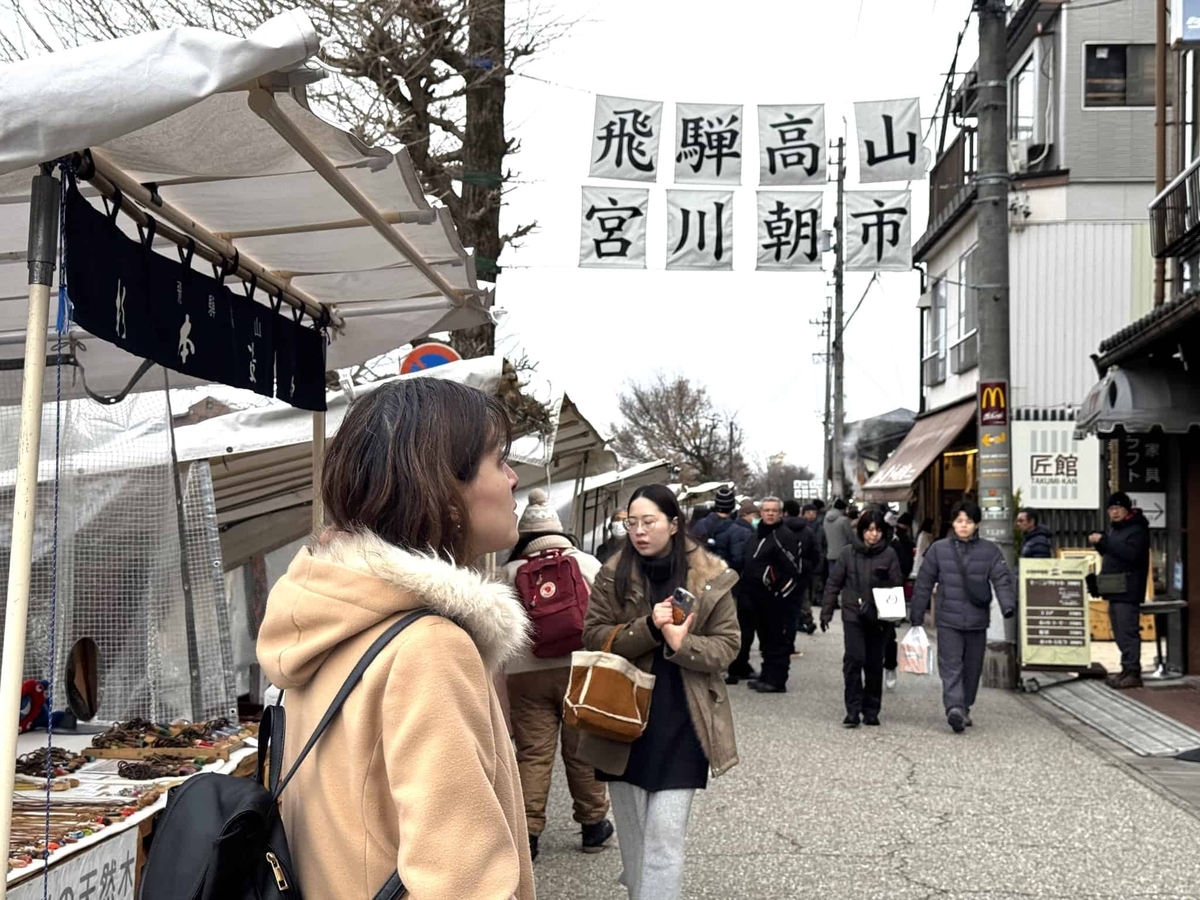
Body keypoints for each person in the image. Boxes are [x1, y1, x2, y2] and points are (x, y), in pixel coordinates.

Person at [257, 379, 535, 899]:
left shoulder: (327, 617)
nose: (514, 478)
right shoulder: (429, 647)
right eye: (499, 460)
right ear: (444, 490)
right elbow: (460, 884)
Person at [579, 485, 740, 900]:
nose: (638, 531)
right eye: (631, 523)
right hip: (622, 719)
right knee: (636, 846)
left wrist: (682, 643)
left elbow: (728, 646)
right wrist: (649, 628)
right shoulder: (612, 573)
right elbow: (593, 636)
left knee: (665, 840)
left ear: (673, 523)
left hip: (685, 720)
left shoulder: (710, 576)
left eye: (648, 522)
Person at [504, 489, 614, 862]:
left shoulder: (510, 572)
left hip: (526, 675)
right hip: (580, 669)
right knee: (583, 750)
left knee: (533, 754)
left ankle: (529, 835)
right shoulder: (587, 563)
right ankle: (593, 825)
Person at [910, 501, 1017, 734]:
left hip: (977, 621)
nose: (963, 525)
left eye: (968, 521)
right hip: (948, 620)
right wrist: (916, 612)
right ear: (953, 523)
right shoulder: (938, 549)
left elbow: (1002, 578)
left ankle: (965, 706)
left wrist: (1008, 605)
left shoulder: (989, 551)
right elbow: (924, 582)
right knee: (950, 665)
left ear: (977, 524)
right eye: (959, 521)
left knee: (972, 667)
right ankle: (955, 708)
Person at [820, 510, 905, 728]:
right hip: (853, 614)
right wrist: (826, 610)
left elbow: (897, 585)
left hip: (879, 617)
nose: (873, 534)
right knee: (854, 659)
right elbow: (834, 582)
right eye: (869, 530)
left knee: (874, 663)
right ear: (861, 531)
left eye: (877, 530)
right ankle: (852, 709)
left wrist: (886, 582)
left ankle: (871, 709)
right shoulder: (848, 553)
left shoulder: (889, 554)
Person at [740, 497, 803, 693]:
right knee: (765, 639)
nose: (770, 513)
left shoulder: (784, 535)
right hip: (755, 597)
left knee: (777, 640)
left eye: (774, 510)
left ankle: (776, 680)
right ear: (760, 512)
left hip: (775, 598)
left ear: (780, 513)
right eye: (766, 510)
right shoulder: (758, 533)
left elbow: (794, 568)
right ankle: (767, 674)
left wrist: (778, 590)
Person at [1089, 492, 1151, 690]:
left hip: (1129, 589)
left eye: (1118, 508)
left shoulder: (1137, 529)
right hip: (1114, 588)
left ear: (1127, 509)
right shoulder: (1115, 529)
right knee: (1119, 631)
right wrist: (1100, 543)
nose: (1114, 512)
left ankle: (1133, 672)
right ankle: (1126, 669)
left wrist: (1106, 541)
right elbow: (1112, 553)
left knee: (1127, 630)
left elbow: (1131, 554)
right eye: (1111, 509)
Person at [725, 498, 759, 685]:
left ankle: (738, 665)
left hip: (737, 585)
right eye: (755, 515)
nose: (757, 519)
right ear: (746, 515)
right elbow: (740, 559)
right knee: (745, 627)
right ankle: (738, 666)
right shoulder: (744, 532)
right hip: (743, 585)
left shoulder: (734, 528)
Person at [885, 512, 918, 691]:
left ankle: (890, 666)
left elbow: (903, 566)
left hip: (890, 592)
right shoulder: (856, 550)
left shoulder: (894, 546)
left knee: (888, 635)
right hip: (866, 596)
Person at [783, 499, 819, 639]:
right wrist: (809, 566)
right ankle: (807, 618)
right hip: (802, 569)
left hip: (783, 570)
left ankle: (787, 624)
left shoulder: (779, 529)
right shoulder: (807, 530)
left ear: (785, 512)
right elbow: (815, 552)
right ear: (799, 512)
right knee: (802, 596)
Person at [824, 499, 855, 571]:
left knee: (832, 575)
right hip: (843, 554)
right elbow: (850, 537)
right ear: (843, 509)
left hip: (830, 554)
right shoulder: (844, 520)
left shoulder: (825, 519)